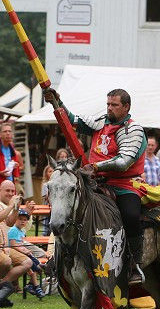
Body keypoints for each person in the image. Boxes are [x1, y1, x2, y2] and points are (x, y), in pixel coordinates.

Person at [44, 87, 149, 284]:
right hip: (93, 182)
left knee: (130, 215)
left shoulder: (133, 130)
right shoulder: (101, 122)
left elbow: (123, 161)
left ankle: (135, 263)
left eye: (114, 105)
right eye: (108, 104)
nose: (109, 108)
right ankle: (59, 258)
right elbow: (72, 121)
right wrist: (56, 102)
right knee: (69, 210)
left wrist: (94, 166)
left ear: (126, 107)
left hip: (124, 184)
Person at [7, 208, 46, 299]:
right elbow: (13, 246)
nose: (22, 222)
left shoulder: (22, 231)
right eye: (20, 219)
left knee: (35, 266)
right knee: (34, 267)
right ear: (15, 219)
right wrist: (24, 251)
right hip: (15, 253)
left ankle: (31, 284)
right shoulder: (13, 230)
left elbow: (20, 244)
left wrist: (26, 250)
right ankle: (36, 286)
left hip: (23, 252)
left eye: (25, 220)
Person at [0, 122, 22, 188]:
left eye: (9, 131)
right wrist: (0, 173)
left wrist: (15, 166)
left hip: (11, 185)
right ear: (0, 135)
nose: (8, 133)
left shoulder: (12, 149)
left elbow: (17, 170)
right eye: (5, 131)